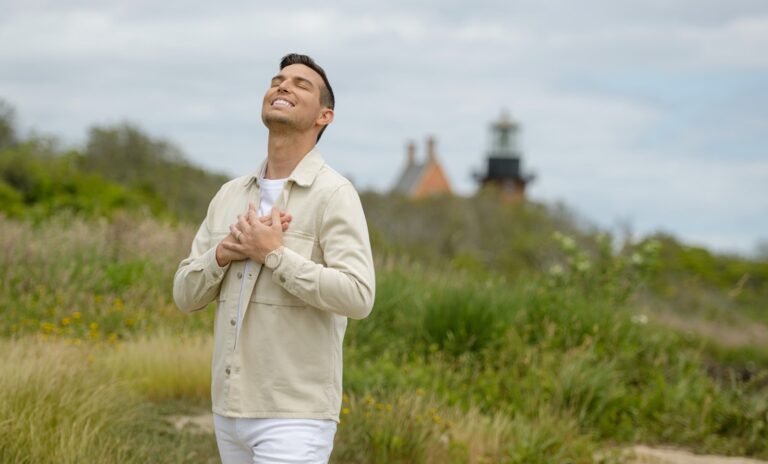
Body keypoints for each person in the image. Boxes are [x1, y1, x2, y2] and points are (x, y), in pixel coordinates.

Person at [173, 53, 376, 463]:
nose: (283, 87)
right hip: (228, 411)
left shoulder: (334, 194)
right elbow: (184, 294)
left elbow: (358, 296)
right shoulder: (229, 195)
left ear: (325, 116)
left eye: (301, 84)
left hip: (294, 416)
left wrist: (274, 255)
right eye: (277, 80)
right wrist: (223, 253)